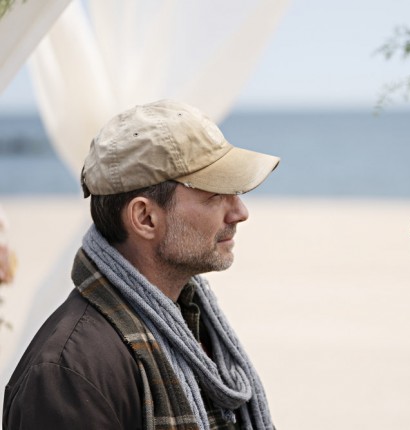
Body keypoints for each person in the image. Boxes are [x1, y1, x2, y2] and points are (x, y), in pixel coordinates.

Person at [3, 99, 280, 430]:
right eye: (216, 194)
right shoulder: (67, 377)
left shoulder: (194, 324)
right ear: (145, 218)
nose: (240, 212)